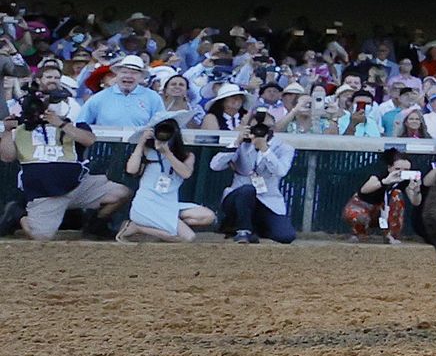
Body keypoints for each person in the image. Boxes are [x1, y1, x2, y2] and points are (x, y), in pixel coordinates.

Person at [1, 64, 130, 240]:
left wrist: (60, 123)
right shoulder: (21, 126)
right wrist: (7, 131)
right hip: (46, 193)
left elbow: (89, 140)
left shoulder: (71, 122)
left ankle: (95, 224)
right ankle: (19, 215)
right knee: (41, 237)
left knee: (121, 191)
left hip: (79, 186)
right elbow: (7, 157)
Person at [120, 112, 215, 242]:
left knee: (208, 216)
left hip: (169, 203)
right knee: (187, 238)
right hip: (147, 203)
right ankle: (137, 227)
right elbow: (131, 169)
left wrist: (167, 153)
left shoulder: (186, 156)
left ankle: (160, 226)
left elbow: (185, 174)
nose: (164, 136)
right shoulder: (147, 151)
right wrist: (141, 142)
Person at [210, 110, 298, 244]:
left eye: (263, 128)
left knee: (286, 236)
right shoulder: (241, 144)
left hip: (267, 200)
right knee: (247, 190)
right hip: (238, 196)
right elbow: (215, 165)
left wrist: (265, 150)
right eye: (256, 127)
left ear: (272, 129)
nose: (259, 131)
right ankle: (243, 231)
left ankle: (253, 229)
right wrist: (236, 142)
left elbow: (281, 171)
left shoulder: (284, 148)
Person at [345, 148, 418, 244]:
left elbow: (415, 201)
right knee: (357, 214)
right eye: (397, 169)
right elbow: (364, 190)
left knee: (397, 195)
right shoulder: (379, 175)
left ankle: (391, 236)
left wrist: (416, 191)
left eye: (406, 170)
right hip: (366, 206)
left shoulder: (406, 181)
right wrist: (384, 182)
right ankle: (360, 234)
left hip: (384, 210)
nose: (401, 172)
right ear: (389, 168)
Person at [76, 54, 164, 128]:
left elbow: (161, 126)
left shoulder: (153, 97)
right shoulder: (99, 98)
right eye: (124, 72)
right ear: (117, 75)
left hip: (140, 146)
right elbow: (81, 124)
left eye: (134, 73)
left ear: (141, 77)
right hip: (107, 145)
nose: (128, 76)